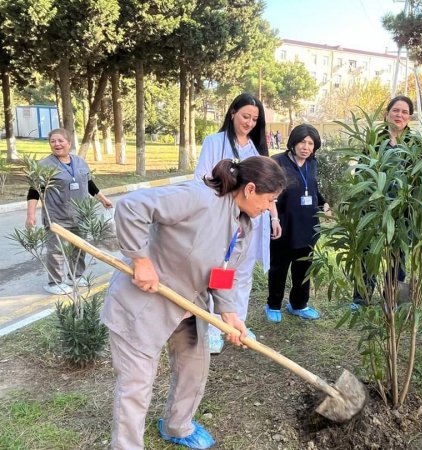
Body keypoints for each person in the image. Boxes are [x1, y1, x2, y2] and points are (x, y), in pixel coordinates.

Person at [101, 156, 286, 450]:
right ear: (250, 189)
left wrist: (229, 314)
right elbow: (131, 206)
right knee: (137, 384)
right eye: (270, 200)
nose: (269, 208)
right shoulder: (197, 198)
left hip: (189, 304)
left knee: (194, 368)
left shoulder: (243, 224)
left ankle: (177, 425)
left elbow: (225, 272)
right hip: (144, 301)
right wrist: (141, 260)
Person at [194, 93, 277, 353]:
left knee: (243, 273)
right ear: (232, 113)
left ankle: (236, 322)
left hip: (251, 221)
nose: (249, 122)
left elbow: (269, 187)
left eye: (255, 119)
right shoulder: (214, 142)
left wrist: (274, 216)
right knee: (220, 273)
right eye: (245, 116)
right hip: (222, 220)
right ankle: (214, 328)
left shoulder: (256, 149)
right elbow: (201, 180)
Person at [25, 128, 113, 295]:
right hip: (57, 217)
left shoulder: (80, 162)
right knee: (56, 251)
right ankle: (55, 283)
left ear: (69, 143)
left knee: (79, 248)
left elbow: (89, 184)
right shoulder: (44, 166)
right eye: (53, 141)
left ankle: (76, 276)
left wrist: (103, 199)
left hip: (80, 216)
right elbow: (34, 191)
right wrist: (30, 214)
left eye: (60, 141)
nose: (57, 144)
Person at [351, 95, 414, 308]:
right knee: (369, 249)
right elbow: (361, 171)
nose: (400, 115)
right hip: (374, 205)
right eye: (396, 110)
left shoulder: (415, 143)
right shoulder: (374, 140)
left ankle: (392, 299)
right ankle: (362, 297)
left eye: (405, 112)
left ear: (409, 117)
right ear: (386, 114)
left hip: (403, 208)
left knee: (399, 254)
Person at [265, 124, 331, 322]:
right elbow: (268, 193)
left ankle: (299, 304)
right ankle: (273, 304)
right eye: (302, 142)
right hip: (284, 224)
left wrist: (324, 203)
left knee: (303, 268)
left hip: (308, 225)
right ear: (293, 142)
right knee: (279, 267)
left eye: (311, 143)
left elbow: (311, 187)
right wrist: (274, 218)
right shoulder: (277, 162)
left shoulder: (312, 163)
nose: (306, 147)